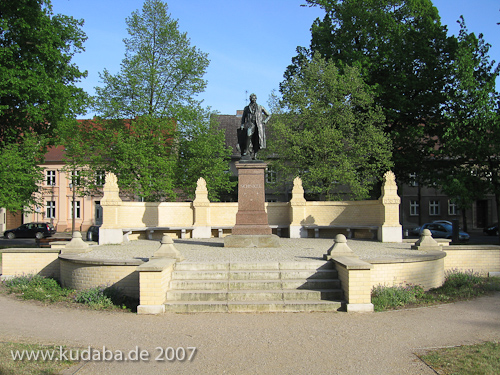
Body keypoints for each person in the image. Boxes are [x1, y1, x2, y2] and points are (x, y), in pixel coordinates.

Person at [239, 93, 271, 160]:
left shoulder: (260, 107)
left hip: (258, 125)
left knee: (257, 139)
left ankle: (255, 155)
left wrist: (265, 121)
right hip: (250, 124)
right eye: (252, 98)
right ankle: (246, 151)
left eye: (254, 98)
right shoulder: (247, 108)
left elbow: (269, 115)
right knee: (248, 135)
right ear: (250, 99)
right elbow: (243, 117)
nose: (253, 99)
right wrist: (242, 124)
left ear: (256, 99)